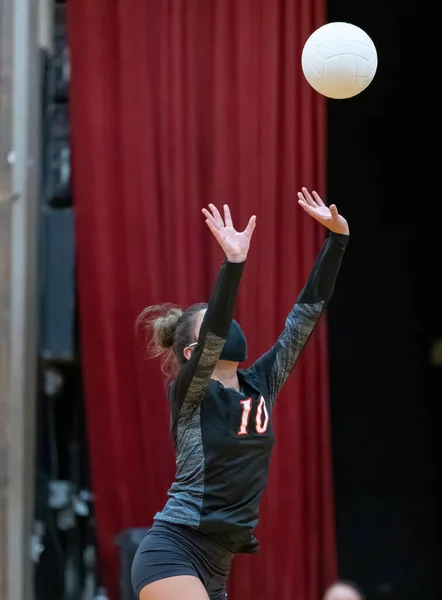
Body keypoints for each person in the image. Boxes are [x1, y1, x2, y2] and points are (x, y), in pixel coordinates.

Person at [131, 187, 350, 600]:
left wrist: (337, 241)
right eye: (217, 322)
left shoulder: (261, 382)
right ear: (194, 353)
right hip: (173, 551)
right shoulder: (191, 391)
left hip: (216, 565)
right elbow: (216, 330)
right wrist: (234, 263)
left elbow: (305, 317)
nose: (230, 326)